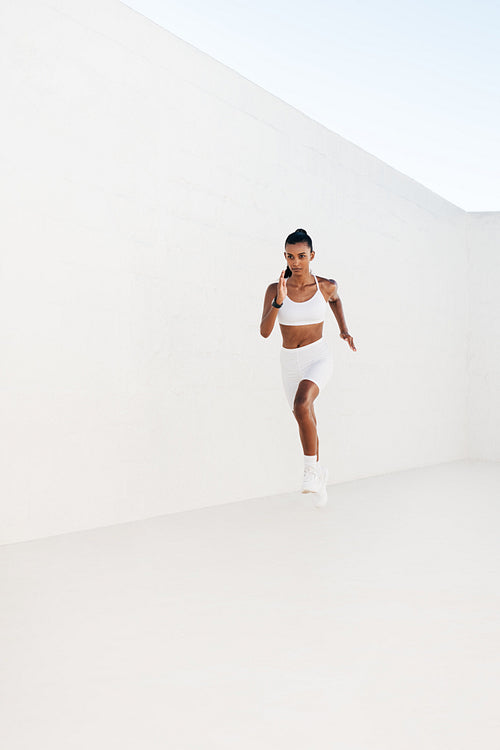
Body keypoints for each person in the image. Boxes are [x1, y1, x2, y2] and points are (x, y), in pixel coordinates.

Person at [260, 228, 356, 507]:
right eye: (290, 256)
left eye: (302, 256)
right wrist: (278, 300)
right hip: (289, 360)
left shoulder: (324, 286)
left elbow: (335, 299)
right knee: (305, 417)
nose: (296, 262)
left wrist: (344, 330)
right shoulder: (274, 290)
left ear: (312, 255)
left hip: (318, 357)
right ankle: (320, 473)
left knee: (303, 404)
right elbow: (265, 332)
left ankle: (310, 471)